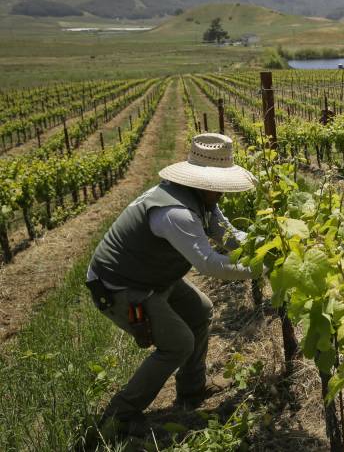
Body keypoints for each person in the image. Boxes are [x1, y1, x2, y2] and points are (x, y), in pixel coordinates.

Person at [84, 133, 258, 436]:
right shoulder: (176, 212)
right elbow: (210, 264)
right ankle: (119, 416)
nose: (223, 193)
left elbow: (228, 236)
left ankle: (191, 391)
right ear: (203, 182)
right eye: (219, 185)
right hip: (119, 285)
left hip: (153, 276)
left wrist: (268, 244)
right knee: (177, 343)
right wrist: (260, 268)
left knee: (200, 310)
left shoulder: (202, 199)